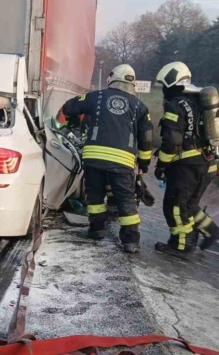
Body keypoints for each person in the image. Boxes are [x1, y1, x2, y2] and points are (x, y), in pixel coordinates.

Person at [59, 64, 154, 253]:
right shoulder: (140, 107)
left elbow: (68, 107)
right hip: (123, 161)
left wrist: (74, 122)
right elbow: (146, 138)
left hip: (94, 158)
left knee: (95, 196)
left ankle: (97, 230)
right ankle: (131, 241)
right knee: (126, 199)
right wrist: (144, 163)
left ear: (111, 78)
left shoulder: (96, 97)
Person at [153, 62, 219, 254]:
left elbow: (171, 141)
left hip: (188, 166)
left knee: (175, 205)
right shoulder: (200, 100)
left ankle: (182, 245)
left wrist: (161, 165)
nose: (164, 90)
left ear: (172, 82)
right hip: (209, 162)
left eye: (164, 85)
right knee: (189, 204)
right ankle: (212, 231)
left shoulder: (176, 105)